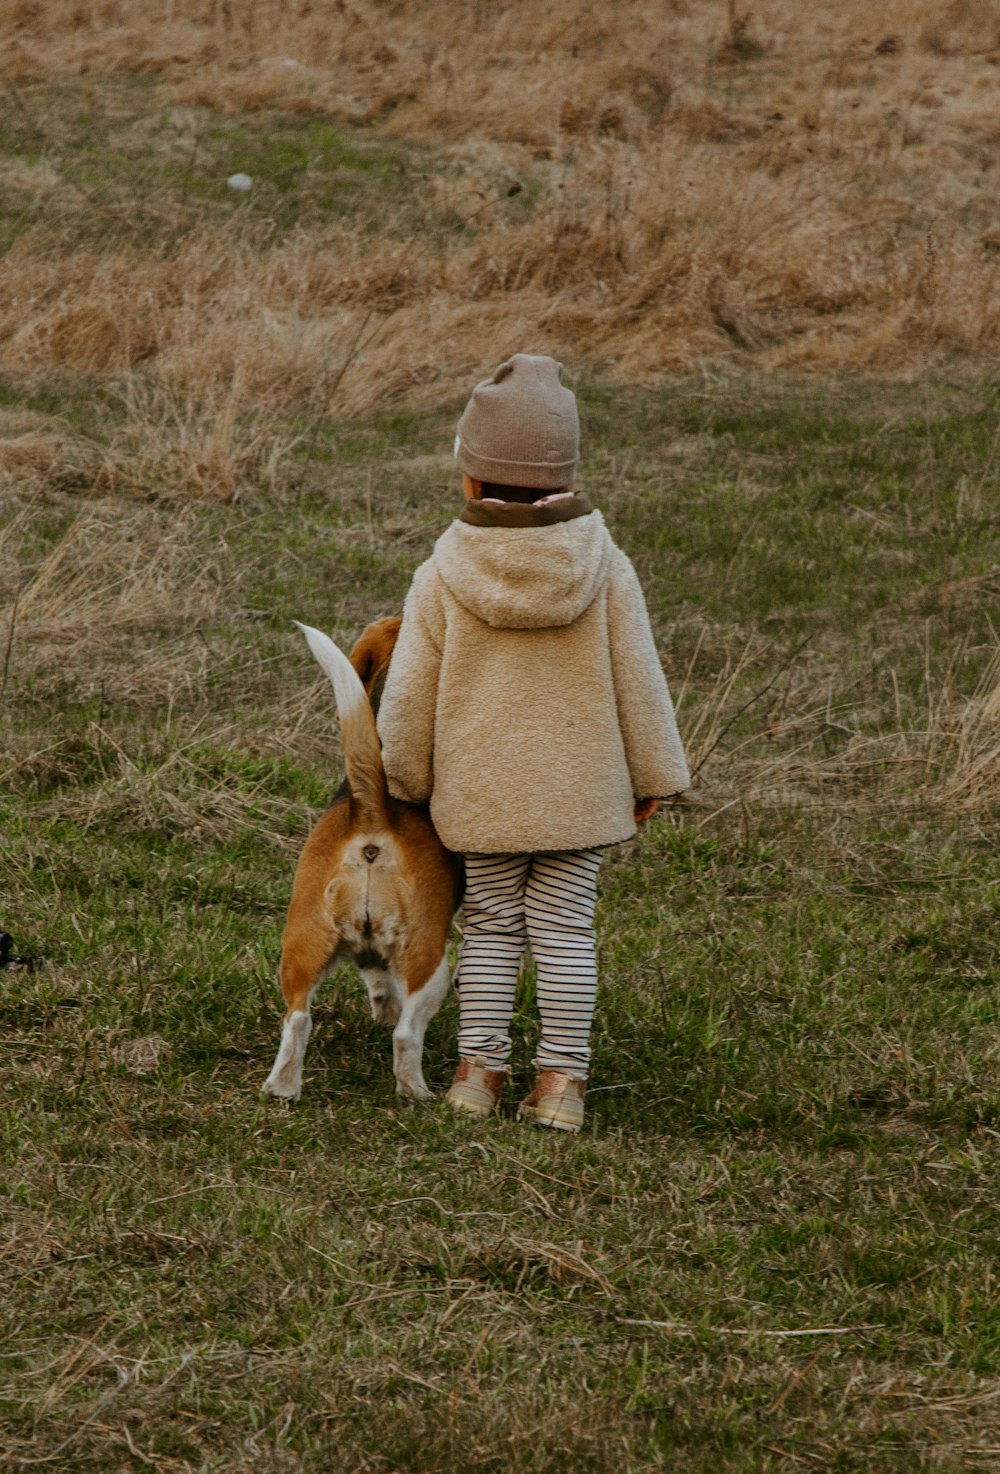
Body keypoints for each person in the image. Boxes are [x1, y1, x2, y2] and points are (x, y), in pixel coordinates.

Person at [376, 353, 689, 1132]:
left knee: (488, 926)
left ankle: (478, 1072)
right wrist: (653, 773)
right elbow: (639, 680)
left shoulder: (443, 571)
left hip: (480, 792)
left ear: (471, 478)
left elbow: (410, 690)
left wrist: (404, 779)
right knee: (565, 927)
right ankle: (561, 1088)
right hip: (581, 791)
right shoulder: (605, 566)